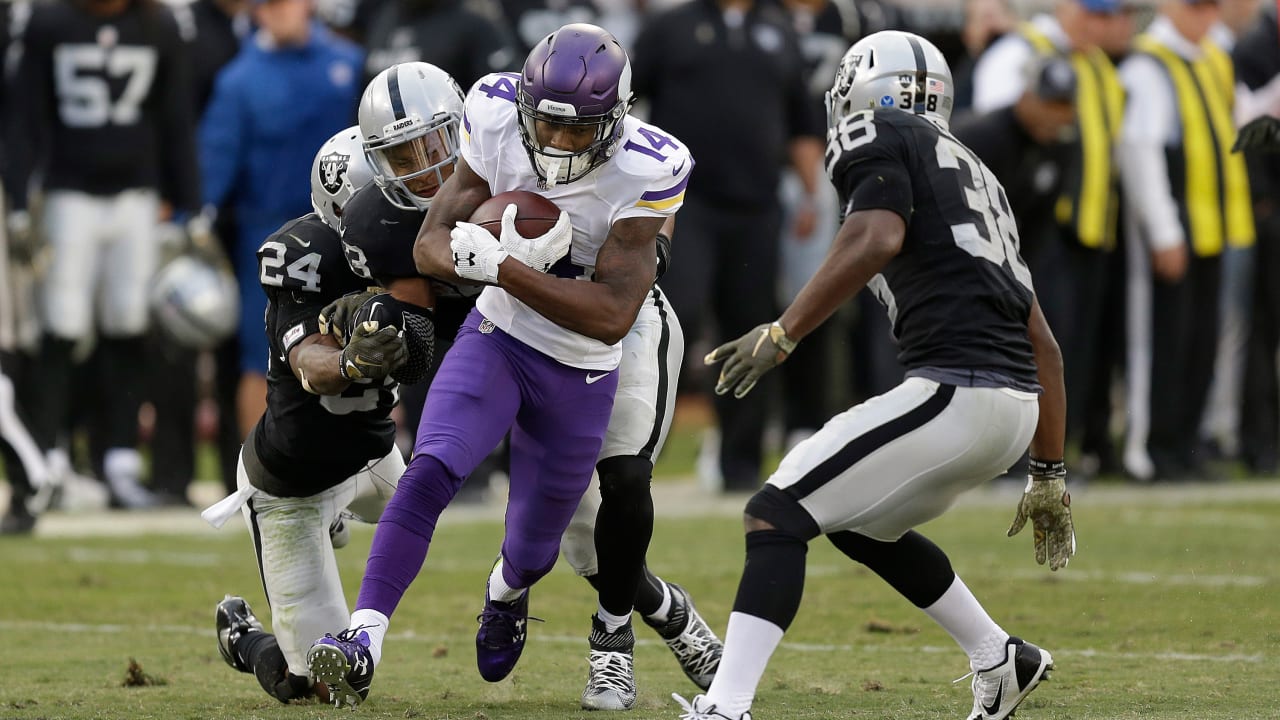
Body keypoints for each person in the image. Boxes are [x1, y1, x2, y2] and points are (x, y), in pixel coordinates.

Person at [679, 31, 1075, 720]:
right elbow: (1044, 342)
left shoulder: (878, 129)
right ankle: (1000, 657)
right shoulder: (974, 171)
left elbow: (877, 236)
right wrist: (1048, 472)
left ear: (869, 93)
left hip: (958, 389)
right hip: (1011, 407)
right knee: (859, 523)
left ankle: (726, 707)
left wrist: (783, 333)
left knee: (775, 513)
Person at [305, 27, 701, 709]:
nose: (554, 143)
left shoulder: (649, 167)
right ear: (520, 106)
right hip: (502, 336)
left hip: (583, 363)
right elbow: (430, 244)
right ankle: (362, 639)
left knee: (535, 546)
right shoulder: (491, 114)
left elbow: (610, 313)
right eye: (543, 123)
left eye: (576, 132)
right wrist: (480, 263)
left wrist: (507, 268)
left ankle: (507, 589)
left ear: (615, 124)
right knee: (431, 466)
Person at [204, 126, 419, 705]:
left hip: (375, 456)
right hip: (291, 483)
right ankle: (247, 641)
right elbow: (310, 362)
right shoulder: (306, 260)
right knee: (325, 687)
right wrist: (350, 361)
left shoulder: (421, 247)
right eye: (390, 198)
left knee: (431, 498)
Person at [2, 0, 203, 509]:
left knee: (129, 326)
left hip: (136, 196)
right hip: (69, 193)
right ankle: (48, 455)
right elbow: (24, 113)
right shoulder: (51, 22)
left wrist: (191, 204)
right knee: (61, 328)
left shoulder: (157, 25)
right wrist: (20, 199)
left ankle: (119, 461)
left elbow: (176, 118)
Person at [630, 0, 823, 493]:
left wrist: (811, 194)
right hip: (683, 204)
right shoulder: (669, 28)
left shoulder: (779, 30)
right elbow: (624, 107)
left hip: (757, 206)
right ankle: (634, 453)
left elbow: (801, 120)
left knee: (752, 328)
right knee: (677, 315)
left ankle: (740, 466)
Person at [198, 0, 364, 447]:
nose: (278, 12)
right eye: (267, 4)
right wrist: (194, 220)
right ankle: (262, 468)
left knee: (361, 339)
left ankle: (352, 462)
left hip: (346, 231)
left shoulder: (349, 64)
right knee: (264, 354)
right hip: (269, 233)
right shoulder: (238, 80)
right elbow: (216, 158)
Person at [1117, 0, 1253, 482]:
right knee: (1161, 340)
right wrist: (1164, 231)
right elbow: (1139, 148)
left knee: (1201, 342)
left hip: (1215, 227)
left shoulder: (1213, 54)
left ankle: (1185, 443)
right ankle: (1148, 448)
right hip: (1177, 225)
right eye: (1196, 6)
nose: (1206, 16)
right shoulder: (1149, 64)